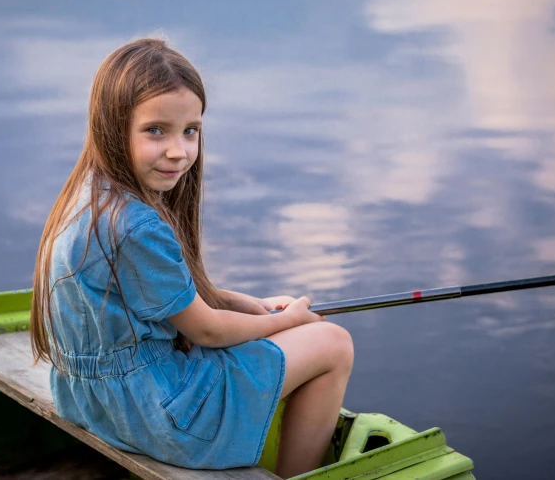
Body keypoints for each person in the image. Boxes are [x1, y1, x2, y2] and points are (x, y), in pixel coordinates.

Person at [29, 38, 353, 478]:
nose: (179, 150)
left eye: (190, 130)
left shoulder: (88, 197)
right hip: (161, 418)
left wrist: (245, 304)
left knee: (275, 336)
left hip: (91, 400)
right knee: (333, 343)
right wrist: (287, 320)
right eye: (155, 130)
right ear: (112, 126)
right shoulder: (136, 225)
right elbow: (206, 330)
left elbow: (159, 293)